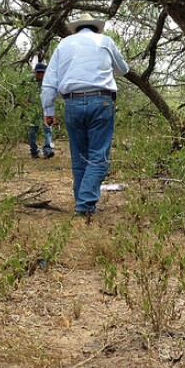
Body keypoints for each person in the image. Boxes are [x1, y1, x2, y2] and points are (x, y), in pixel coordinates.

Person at [41, 13, 130, 216]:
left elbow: (49, 82)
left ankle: (84, 202)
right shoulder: (105, 41)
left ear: (76, 29)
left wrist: (49, 110)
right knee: (98, 156)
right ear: (96, 28)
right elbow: (123, 69)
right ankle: (85, 205)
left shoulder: (63, 45)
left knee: (80, 157)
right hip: (101, 100)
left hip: (72, 101)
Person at [24, 62, 54, 159]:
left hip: (45, 108)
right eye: (38, 72)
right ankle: (34, 151)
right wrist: (24, 99)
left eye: (42, 72)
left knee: (48, 129)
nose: (40, 74)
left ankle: (47, 150)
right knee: (32, 131)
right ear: (35, 72)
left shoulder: (49, 80)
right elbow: (18, 88)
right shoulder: (29, 79)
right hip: (32, 108)